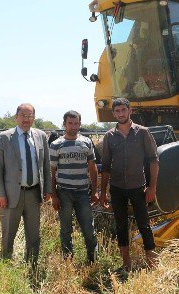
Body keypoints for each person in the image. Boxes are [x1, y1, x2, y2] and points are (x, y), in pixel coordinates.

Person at [99, 98, 159, 272]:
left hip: (138, 186)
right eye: (117, 111)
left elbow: (153, 161)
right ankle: (126, 264)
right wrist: (103, 192)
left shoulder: (142, 133)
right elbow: (106, 166)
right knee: (121, 225)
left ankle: (152, 264)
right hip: (117, 188)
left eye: (123, 110)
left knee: (144, 224)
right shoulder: (109, 136)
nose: (120, 114)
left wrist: (152, 187)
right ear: (113, 114)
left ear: (130, 111)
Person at [0, 103, 52, 266]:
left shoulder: (40, 136)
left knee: (34, 234)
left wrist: (48, 189)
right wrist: (0, 194)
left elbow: (46, 165)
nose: (26, 119)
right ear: (16, 117)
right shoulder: (4, 137)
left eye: (30, 116)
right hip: (11, 195)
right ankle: (5, 265)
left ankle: (32, 264)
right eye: (23, 116)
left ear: (34, 118)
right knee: (8, 234)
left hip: (34, 193)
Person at [50, 110, 99, 264]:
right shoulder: (56, 145)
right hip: (64, 192)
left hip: (83, 192)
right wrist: (54, 196)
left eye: (76, 123)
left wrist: (95, 191)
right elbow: (52, 172)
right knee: (65, 229)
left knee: (88, 229)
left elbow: (93, 168)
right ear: (64, 124)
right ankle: (68, 262)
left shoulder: (86, 142)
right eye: (70, 123)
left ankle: (93, 261)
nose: (73, 126)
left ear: (80, 124)